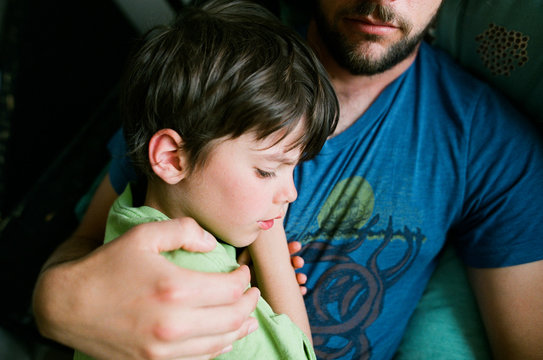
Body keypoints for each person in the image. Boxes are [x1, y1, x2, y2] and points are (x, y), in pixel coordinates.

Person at [33, 0, 543, 359]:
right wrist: (57, 301)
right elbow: (83, 246)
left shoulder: (488, 142)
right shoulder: (214, 77)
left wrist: (269, 249)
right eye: (267, 169)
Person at [67, 0, 339, 359]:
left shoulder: (132, 215)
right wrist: (271, 254)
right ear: (171, 158)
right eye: (266, 170)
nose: (290, 193)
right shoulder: (194, 294)